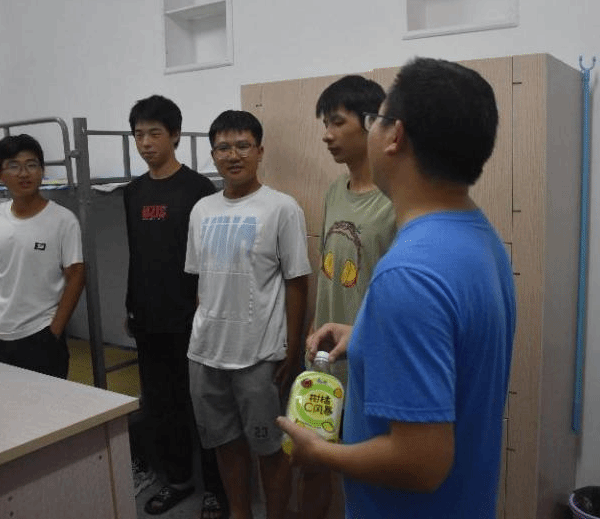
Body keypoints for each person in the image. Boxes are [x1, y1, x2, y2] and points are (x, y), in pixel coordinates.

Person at [277, 57, 517, 518]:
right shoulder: (478, 235)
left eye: (376, 118)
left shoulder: (407, 275)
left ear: (395, 136)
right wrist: (365, 336)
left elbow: (420, 463)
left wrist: (319, 452)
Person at [186, 110, 311, 519]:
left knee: (271, 448)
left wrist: (291, 349)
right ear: (213, 155)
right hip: (205, 353)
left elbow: (297, 281)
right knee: (225, 445)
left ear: (260, 151)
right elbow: (202, 282)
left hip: (260, 355)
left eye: (243, 146)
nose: (233, 155)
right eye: (223, 147)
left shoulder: (282, 208)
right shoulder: (201, 210)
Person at [124, 95, 228, 518]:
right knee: (160, 405)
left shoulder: (198, 189)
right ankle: (179, 480)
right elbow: (137, 256)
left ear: (176, 136)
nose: (146, 143)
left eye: (154, 133)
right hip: (148, 319)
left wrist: (207, 311)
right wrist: (130, 307)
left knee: (202, 405)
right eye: (138, 135)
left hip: (191, 318)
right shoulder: (132, 193)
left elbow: (209, 258)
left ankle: (216, 489)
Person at [298, 75, 396, 518]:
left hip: (370, 360)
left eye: (337, 122)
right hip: (323, 357)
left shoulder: (394, 200)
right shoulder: (335, 190)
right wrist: (312, 333)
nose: (327, 134)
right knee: (312, 463)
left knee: (367, 474)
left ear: (372, 123)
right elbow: (329, 275)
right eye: (325, 123)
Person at [0, 134, 85, 380]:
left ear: (42, 170)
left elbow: (76, 276)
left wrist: (54, 331)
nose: (24, 173)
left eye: (32, 165)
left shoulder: (63, 220)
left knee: (46, 404)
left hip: (38, 336)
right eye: (13, 166)